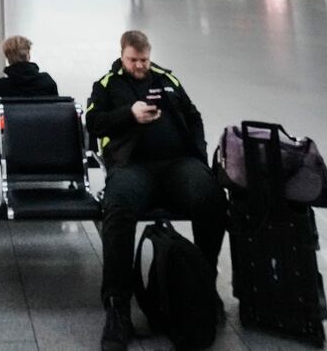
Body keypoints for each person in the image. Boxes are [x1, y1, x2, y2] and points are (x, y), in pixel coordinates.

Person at [87, 31, 226, 351]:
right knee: (118, 208)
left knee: (211, 198)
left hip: (178, 164)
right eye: (133, 60)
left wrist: (199, 157)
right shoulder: (107, 84)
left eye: (144, 60)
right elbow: (94, 123)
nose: (139, 65)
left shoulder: (167, 79)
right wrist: (130, 114)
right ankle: (117, 307)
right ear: (122, 56)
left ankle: (204, 285)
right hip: (133, 167)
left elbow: (193, 117)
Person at [0, 35, 59, 123]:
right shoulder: (46, 82)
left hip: (12, 136)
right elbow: (57, 114)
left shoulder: (0, 87)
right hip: (44, 134)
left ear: (8, 58)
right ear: (28, 55)